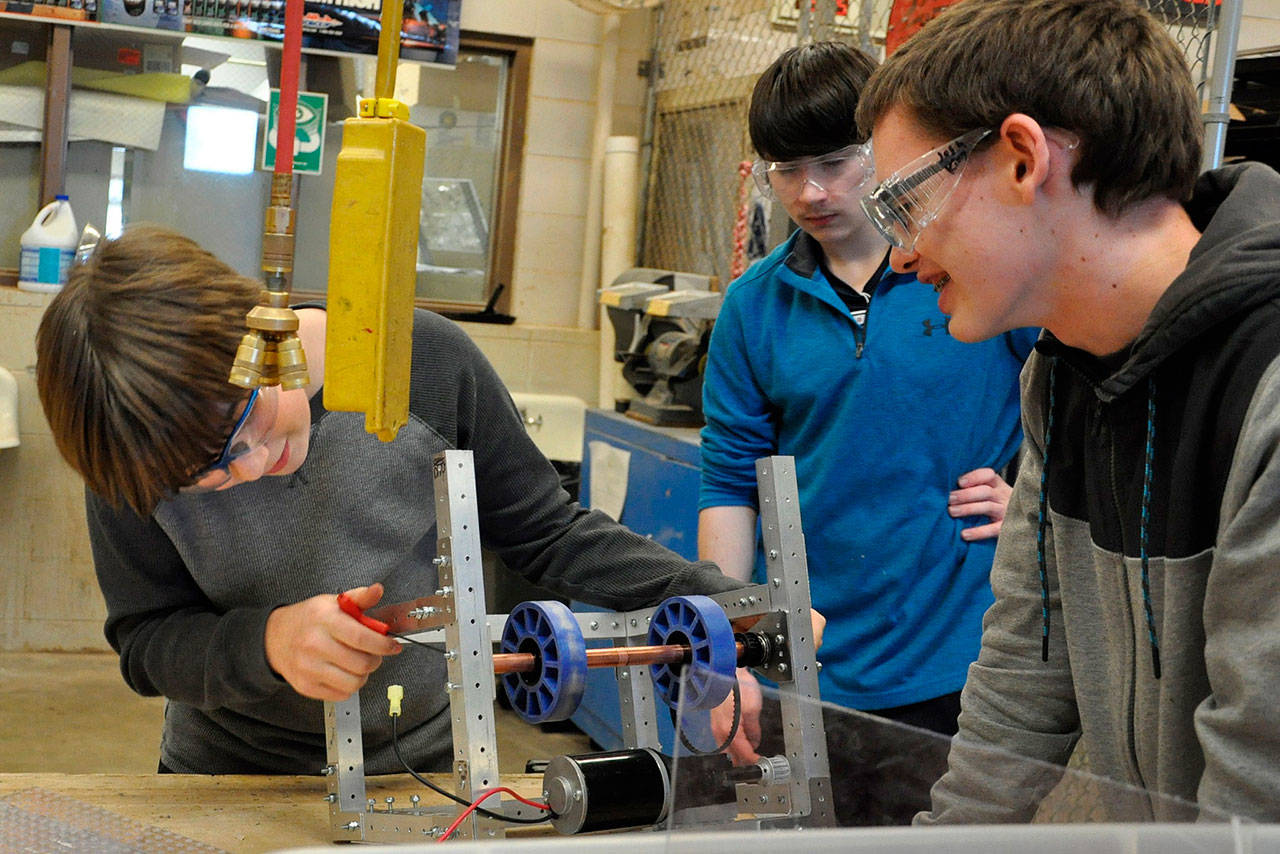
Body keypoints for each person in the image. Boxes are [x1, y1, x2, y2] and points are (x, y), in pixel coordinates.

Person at [34, 224, 759, 777]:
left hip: (418, 768)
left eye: (243, 424)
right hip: (222, 773)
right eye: (206, 478)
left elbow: (547, 533)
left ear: (258, 330)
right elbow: (148, 640)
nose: (250, 469)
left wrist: (727, 602)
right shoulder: (129, 452)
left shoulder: (424, 363)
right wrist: (268, 644)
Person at [855, 0, 1280, 823]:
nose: (902, 257)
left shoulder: (1263, 383)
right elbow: (1025, 670)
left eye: (906, 206)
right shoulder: (1062, 378)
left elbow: (1260, 791)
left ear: (1022, 157)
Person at [697, 41, 1036, 825]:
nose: (810, 191)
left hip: (958, 653)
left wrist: (1030, 501)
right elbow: (727, 479)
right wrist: (735, 644)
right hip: (805, 657)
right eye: (785, 169)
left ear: (879, 153)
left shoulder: (969, 273)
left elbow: (1073, 412)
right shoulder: (754, 306)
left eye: (836, 161)